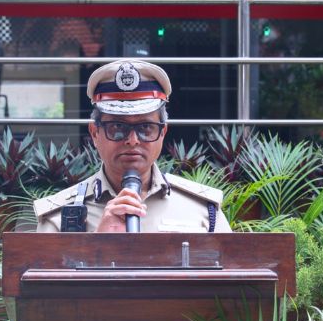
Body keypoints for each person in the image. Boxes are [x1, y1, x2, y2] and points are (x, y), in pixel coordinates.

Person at [31, 60, 231, 234]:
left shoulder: (204, 211)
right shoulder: (58, 217)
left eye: (146, 127)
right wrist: (95, 247)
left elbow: (234, 276)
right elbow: (43, 278)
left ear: (163, 132)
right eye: (118, 127)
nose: (133, 140)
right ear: (94, 133)